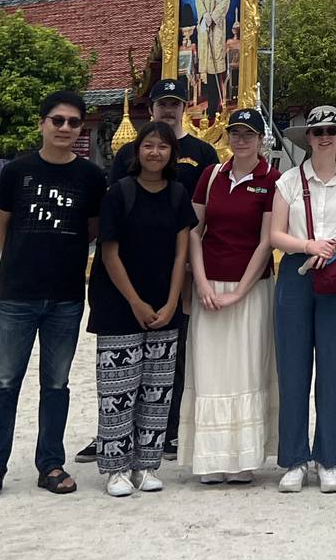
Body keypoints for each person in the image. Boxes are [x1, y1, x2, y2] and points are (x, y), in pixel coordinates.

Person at [0, 92, 107, 500]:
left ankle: (50, 462)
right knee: (5, 381)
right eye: (57, 120)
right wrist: (21, 260)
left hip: (66, 294)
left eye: (73, 122)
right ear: (42, 124)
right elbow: (1, 226)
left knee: (57, 383)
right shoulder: (17, 171)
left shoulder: (90, 176)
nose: (65, 128)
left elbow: (92, 229)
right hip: (18, 293)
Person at [93, 79, 218, 463]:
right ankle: (113, 442)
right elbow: (111, 235)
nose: (168, 109)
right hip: (125, 279)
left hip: (178, 270)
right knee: (120, 370)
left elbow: (206, 215)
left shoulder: (201, 154)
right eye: (162, 102)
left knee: (169, 364)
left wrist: (187, 276)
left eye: (175, 103)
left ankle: (166, 435)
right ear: (151, 109)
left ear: (185, 107)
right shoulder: (124, 171)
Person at [89, 120, 196, 496]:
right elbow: (109, 252)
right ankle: (115, 468)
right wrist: (135, 301)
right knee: (118, 391)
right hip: (119, 304)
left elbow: (182, 253)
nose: (155, 152)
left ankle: (146, 464)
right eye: (148, 145)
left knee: (157, 389)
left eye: (163, 147)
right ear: (137, 151)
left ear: (172, 154)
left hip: (164, 305)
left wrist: (171, 303)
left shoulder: (178, 194)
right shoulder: (119, 193)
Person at [271, 104, 336, 493]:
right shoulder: (288, 182)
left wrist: (332, 245)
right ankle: (295, 458)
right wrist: (308, 245)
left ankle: (327, 457)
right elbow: (275, 234)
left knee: (333, 370)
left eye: (331, 131)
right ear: (308, 138)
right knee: (293, 370)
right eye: (317, 132)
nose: (325, 137)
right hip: (296, 273)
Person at [184, 108, 280, 484]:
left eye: (248, 134)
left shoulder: (272, 179)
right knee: (209, 371)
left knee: (247, 369)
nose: (241, 140)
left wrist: (240, 291)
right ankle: (210, 459)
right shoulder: (211, 176)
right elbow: (194, 231)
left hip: (251, 289)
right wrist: (202, 283)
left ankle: (243, 459)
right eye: (235, 133)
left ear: (260, 139)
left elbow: (266, 240)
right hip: (210, 285)